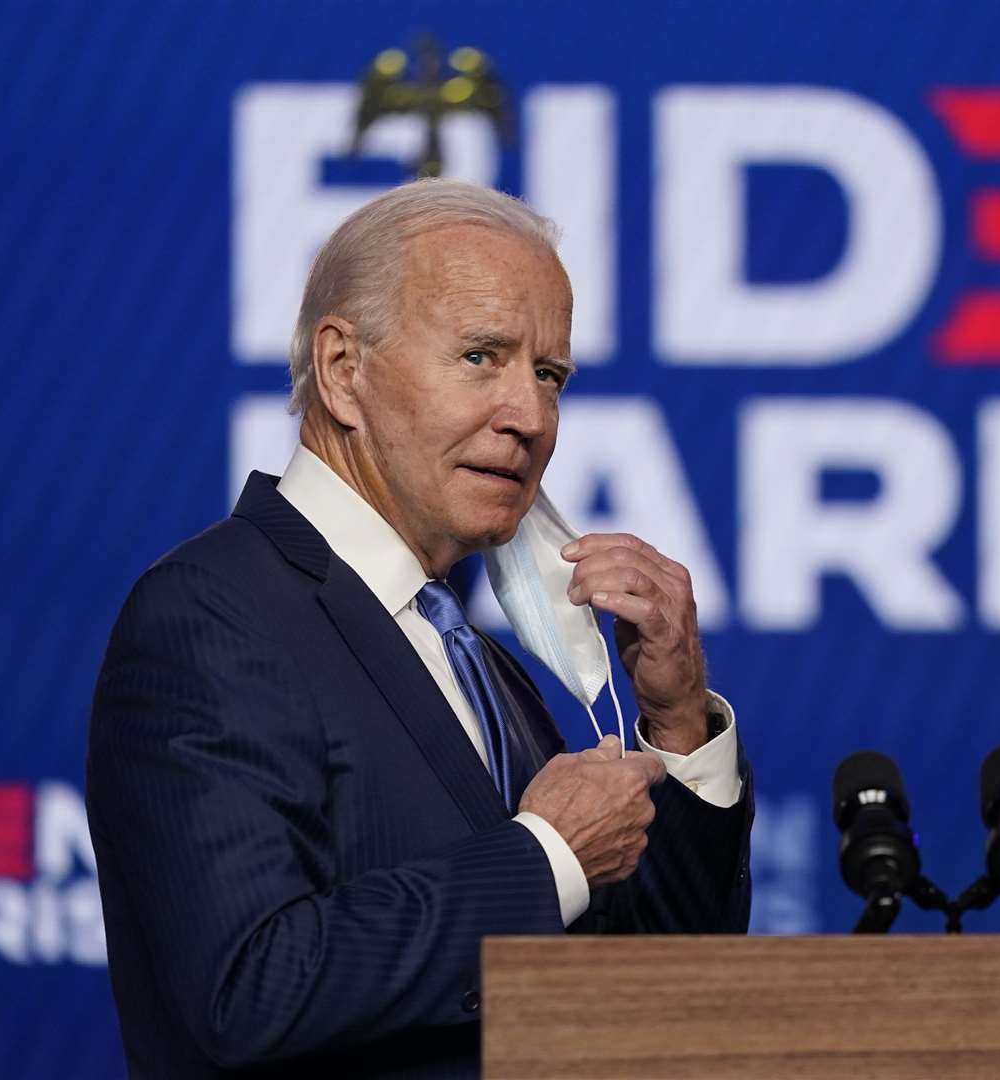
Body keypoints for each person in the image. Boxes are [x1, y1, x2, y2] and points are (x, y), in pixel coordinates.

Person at [86, 178, 753, 1078]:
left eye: (549, 374)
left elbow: (652, 995)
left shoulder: (481, 660)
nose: (529, 416)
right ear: (342, 371)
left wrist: (676, 729)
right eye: (482, 356)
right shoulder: (209, 616)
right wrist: (545, 852)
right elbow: (244, 990)